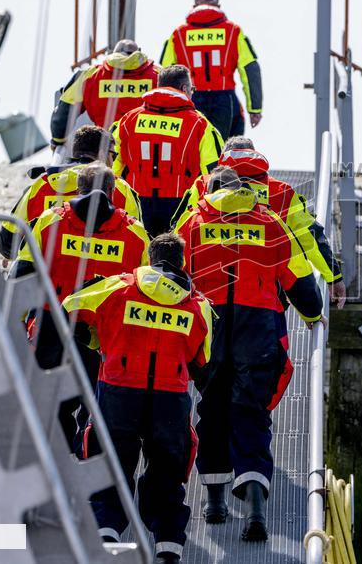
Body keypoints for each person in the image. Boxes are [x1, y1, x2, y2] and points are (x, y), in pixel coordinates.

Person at [177, 168, 323, 542]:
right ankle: (256, 509)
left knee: (211, 411)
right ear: (242, 191)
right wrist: (311, 312)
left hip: (211, 327)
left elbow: (175, 280)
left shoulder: (192, 224)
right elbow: (297, 276)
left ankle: (214, 503)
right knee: (251, 415)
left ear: (209, 192)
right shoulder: (271, 223)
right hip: (259, 328)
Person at [58, 233, 212, 563]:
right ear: (182, 263)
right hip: (170, 398)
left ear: (149, 259)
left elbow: (68, 309)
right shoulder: (199, 306)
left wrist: (98, 340)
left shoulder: (118, 287)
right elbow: (203, 361)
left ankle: (106, 534)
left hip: (119, 390)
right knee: (168, 474)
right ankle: (168, 546)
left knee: (109, 463)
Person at [11, 162, 149, 448]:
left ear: (79, 189)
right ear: (112, 192)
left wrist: (17, 323)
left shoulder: (49, 221)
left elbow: (22, 273)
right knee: (97, 404)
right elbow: (145, 288)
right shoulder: (135, 234)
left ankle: (58, 458)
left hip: (52, 325)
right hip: (106, 334)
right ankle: (84, 459)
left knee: (51, 400)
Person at [172, 136, 346, 309]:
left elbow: (178, 233)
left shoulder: (202, 185)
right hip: (264, 304)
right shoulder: (281, 191)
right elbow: (310, 236)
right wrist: (334, 278)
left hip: (207, 298)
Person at [0, 125, 143, 261]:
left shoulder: (43, 184)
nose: (113, 161)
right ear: (102, 153)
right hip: (106, 284)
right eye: (113, 154)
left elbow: (7, 244)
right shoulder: (120, 188)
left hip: (51, 283)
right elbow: (138, 243)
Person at [112, 64, 223, 235]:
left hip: (136, 204)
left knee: (143, 255)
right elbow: (214, 173)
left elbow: (110, 163)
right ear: (184, 88)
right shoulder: (200, 124)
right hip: (179, 207)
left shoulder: (128, 119)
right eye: (192, 88)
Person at [159, 0, 262, 140]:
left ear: (194, 6)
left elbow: (164, 73)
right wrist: (254, 109)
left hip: (190, 100)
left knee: (190, 148)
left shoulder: (178, 34)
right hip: (225, 100)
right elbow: (250, 70)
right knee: (226, 150)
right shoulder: (233, 31)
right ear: (218, 5)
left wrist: (161, 109)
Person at [49, 39, 160, 152]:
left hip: (107, 150)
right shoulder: (158, 74)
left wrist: (57, 140)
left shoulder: (90, 74)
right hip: (145, 150)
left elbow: (64, 114)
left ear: (112, 53)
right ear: (139, 52)